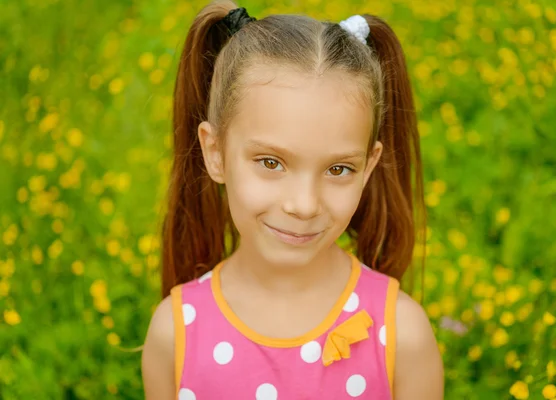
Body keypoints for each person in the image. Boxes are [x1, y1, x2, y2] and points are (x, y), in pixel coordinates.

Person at [142, 1, 444, 399]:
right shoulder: (175, 334)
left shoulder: (403, 336)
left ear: (369, 166)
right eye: (271, 162)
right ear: (214, 153)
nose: (304, 205)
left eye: (338, 169)